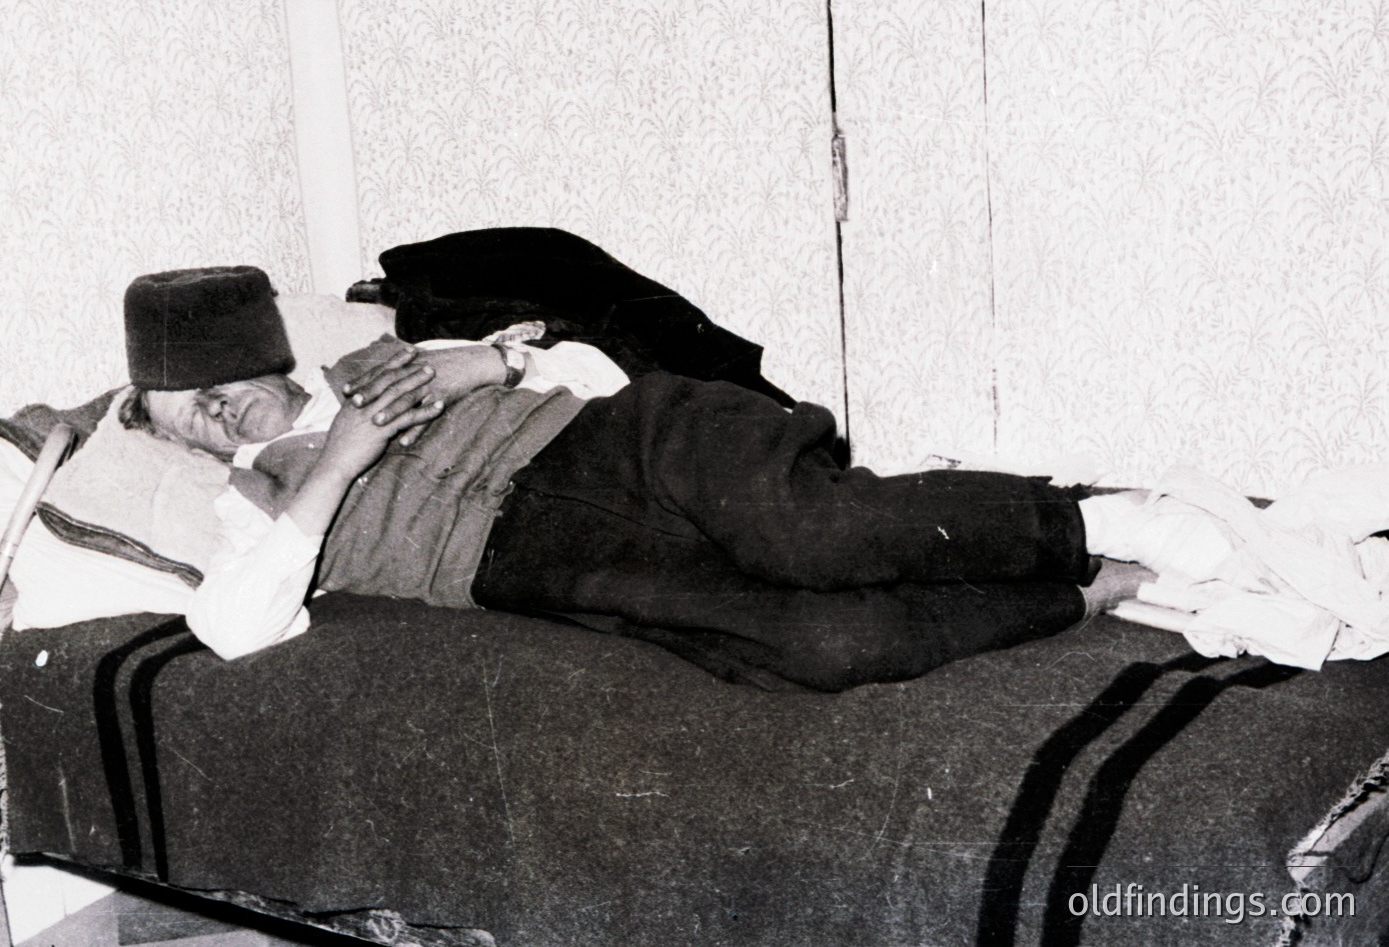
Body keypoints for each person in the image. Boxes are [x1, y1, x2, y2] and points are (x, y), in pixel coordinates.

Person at [113, 265, 1196, 692]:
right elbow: (234, 630)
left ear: (270, 354)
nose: (217, 412)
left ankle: (1078, 516)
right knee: (821, 648)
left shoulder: (382, 362)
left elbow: (593, 368)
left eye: (221, 382)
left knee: (812, 536)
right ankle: (1073, 591)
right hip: (553, 565)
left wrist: (494, 359)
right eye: (189, 418)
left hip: (625, 444)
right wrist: (337, 464)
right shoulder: (244, 511)